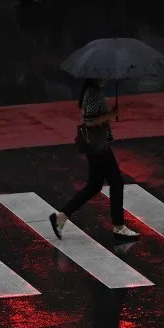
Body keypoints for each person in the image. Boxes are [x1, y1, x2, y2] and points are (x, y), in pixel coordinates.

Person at [50, 79, 140, 240]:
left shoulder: (93, 92)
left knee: (94, 185)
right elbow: (89, 121)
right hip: (99, 147)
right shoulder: (94, 94)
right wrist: (111, 115)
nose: (106, 78)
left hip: (96, 146)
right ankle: (119, 226)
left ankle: (61, 217)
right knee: (116, 182)